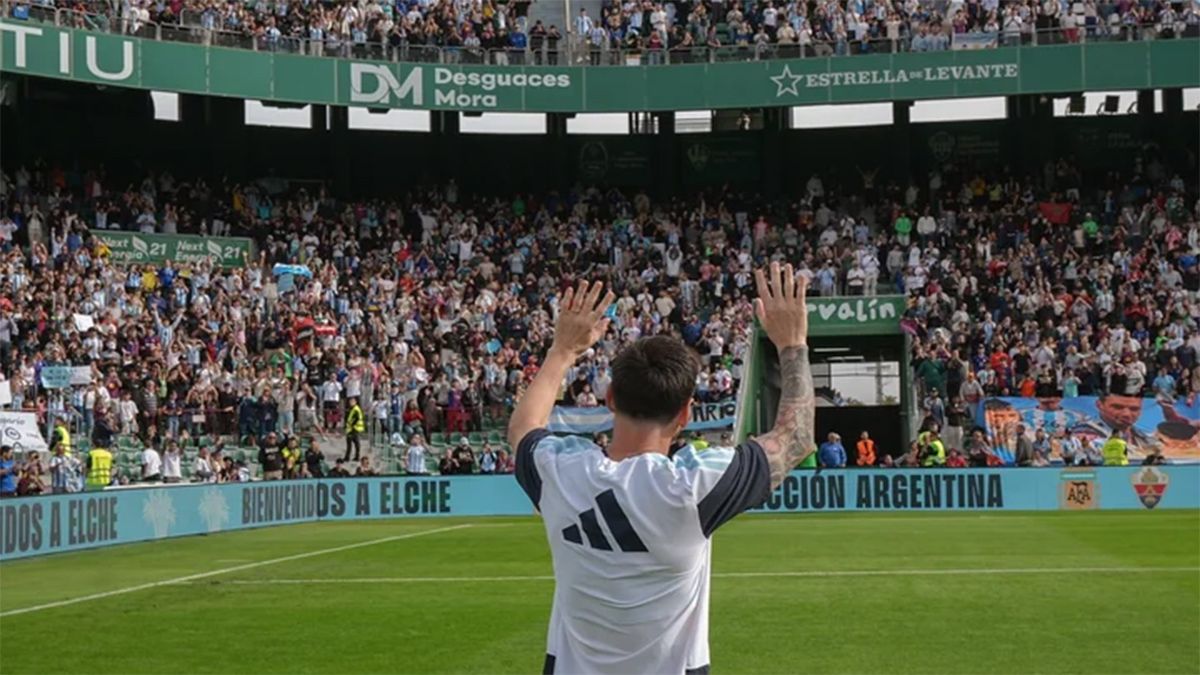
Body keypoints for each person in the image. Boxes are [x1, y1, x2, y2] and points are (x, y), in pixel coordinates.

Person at [509, 268, 815, 675]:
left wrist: (562, 350)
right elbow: (795, 439)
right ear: (686, 413)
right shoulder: (695, 486)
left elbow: (523, 428)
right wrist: (792, 343)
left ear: (610, 397)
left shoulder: (562, 473)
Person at [344, 396, 365, 462]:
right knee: (349, 444)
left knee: (356, 444)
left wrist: (352, 426)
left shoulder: (356, 409)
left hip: (355, 429)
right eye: (350, 401)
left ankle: (356, 457)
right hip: (350, 429)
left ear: (355, 402)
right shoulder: (351, 409)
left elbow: (357, 419)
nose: (351, 403)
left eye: (352, 401)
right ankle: (348, 457)